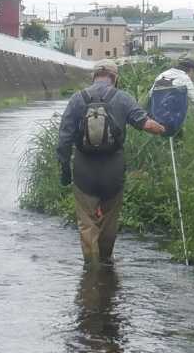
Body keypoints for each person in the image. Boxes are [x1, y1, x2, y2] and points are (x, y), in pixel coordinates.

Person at [57, 62, 171, 271]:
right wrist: (166, 129)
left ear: (94, 77)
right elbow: (146, 124)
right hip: (113, 170)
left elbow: (63, 140)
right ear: (115, 78)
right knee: (109, 222)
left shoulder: (77, 99)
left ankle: (91, 271)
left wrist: (64, 170)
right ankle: (106, 263)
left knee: (87, 224)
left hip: (83, 170)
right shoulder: (123, 98)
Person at [150, 56, 194, 126]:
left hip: (156, 114)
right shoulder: (184, 77)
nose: (193, 78)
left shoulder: (163, 74)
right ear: (191, 70)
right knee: (183, 95)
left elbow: (150, 95)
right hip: (172, 116)